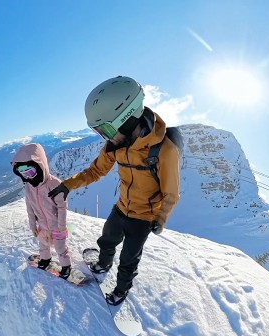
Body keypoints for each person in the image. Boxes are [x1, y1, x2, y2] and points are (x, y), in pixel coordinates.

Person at [48, 76, 180, 305]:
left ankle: (121, 290)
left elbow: (171, 192)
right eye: (100, 132)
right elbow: (96, 171)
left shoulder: (163, 151)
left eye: (106, 129)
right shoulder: (117, 143)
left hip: (143, 217)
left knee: (129, 259)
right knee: (107, 240)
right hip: (121, 208)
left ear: (127, 119)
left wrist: (161, 218)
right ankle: (103, 264)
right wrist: (67, 185)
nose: (105, 137)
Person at [12, 142, 71, 278]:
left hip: (57, 226)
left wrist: (62, 225)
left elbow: (62, 206)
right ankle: (45, 259)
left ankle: (66, 265)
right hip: (43, 226)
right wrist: (33, 225)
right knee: (43, 244)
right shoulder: (29, 187)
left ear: (40, 166)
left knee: (60, 248)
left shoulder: (54, 184)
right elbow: (30, 208)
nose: (28, 176)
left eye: (30, 171)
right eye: (23, 173)